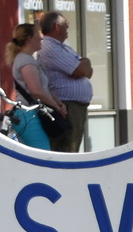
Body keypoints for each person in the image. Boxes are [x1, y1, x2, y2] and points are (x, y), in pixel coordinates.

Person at [36, 11, 93, 152]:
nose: (68, 27)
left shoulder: (64, 47)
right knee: (67, 149)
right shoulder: (49, 47)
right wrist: (84, 63)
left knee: (72, 147)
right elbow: (79, 71)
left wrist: (85, 63)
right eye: (66, 24)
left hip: (74, 106)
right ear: (57, 26)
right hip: (66, 106)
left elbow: (87, 72)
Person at [4, 22, 65, 150]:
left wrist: (57, 102)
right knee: (42, 152)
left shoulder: (27, 59)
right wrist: (55, 107)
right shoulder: (26, 61)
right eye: (38, 35)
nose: (41, 38)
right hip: (29, 114)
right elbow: (36, 91)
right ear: (29, 38)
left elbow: (44, 88)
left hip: (30, 113)